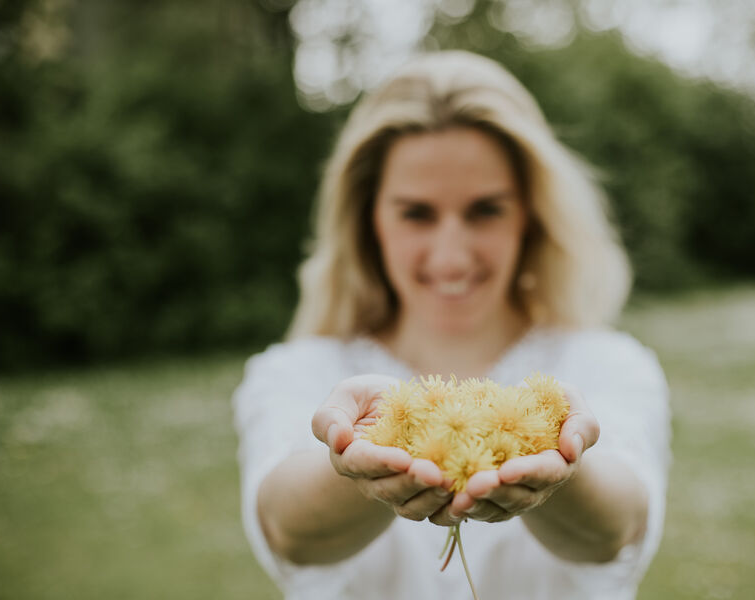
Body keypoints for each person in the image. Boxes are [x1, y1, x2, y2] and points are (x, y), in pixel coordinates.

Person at [233, 50, 671, 600]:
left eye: (485, 210)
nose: (451, 256)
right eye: (416, 213)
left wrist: (562, 465)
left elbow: (618, 530)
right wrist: (355, 466)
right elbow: (287, 532)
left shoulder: (605, 364)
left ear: (529, 216)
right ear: (369, 219)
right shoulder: (300, 372)